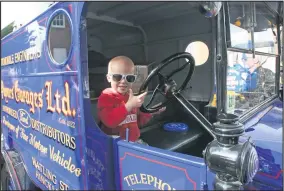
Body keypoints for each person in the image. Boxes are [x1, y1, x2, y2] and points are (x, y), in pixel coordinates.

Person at [97, 56, 164, 144]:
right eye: (117, 77)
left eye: (129, 78)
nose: (123, 81)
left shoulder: (130, 96)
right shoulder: (106, 97)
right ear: (109, 78)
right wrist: (129, 106)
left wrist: (151, 112)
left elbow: (138, 121)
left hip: (133, 141)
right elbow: (110, 121)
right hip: (115, 144)